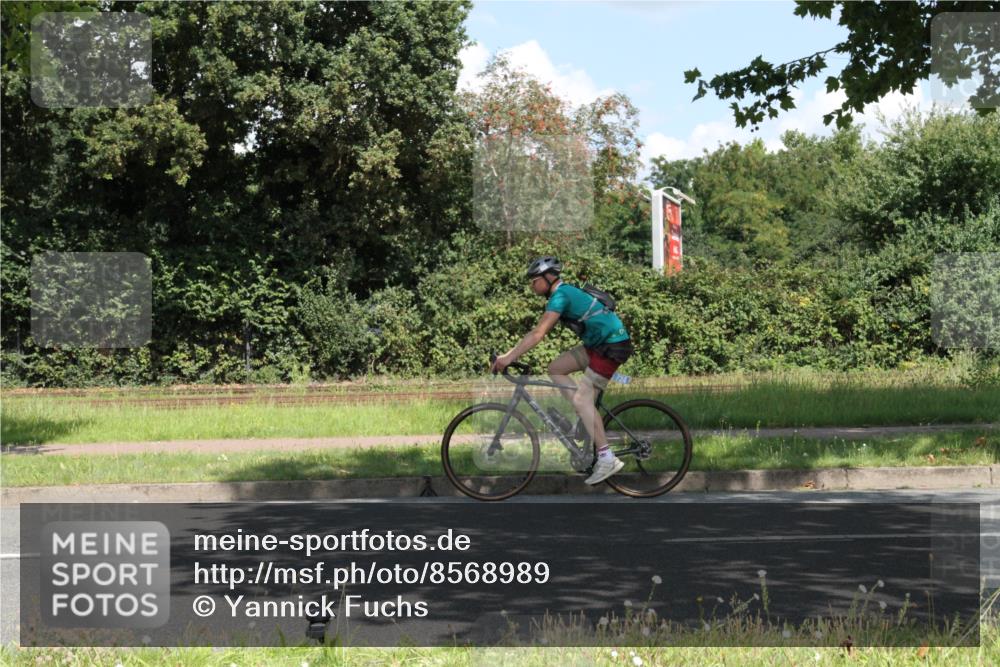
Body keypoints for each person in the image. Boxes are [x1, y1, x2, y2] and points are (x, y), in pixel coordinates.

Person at [491, 256, 634, 484]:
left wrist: (508, 357)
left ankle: (607, 457)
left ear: (548, 278)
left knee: (581, 400)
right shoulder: (562, 293)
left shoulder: (561, 296)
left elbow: (538, 334)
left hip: (611, 347)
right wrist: (508, 356)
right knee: (556, 367)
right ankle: (583, 415)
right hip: (597, 345)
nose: (532, 286)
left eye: (535, 280)